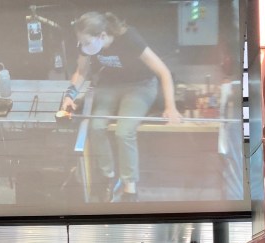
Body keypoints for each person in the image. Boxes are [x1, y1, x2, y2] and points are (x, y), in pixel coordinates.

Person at [62, 11, 181, 203]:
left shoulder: (129, 38)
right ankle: (108, 177)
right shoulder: (87, 46)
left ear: (102, 36)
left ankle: (129, 187)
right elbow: (81, 71)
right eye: (80, 43)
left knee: (124, 132)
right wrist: (70, 95)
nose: (83, 47)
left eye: (86, 42)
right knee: (96, 127)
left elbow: (163, 72)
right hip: (110, 86)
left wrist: (171, 107)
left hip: (141, 86)